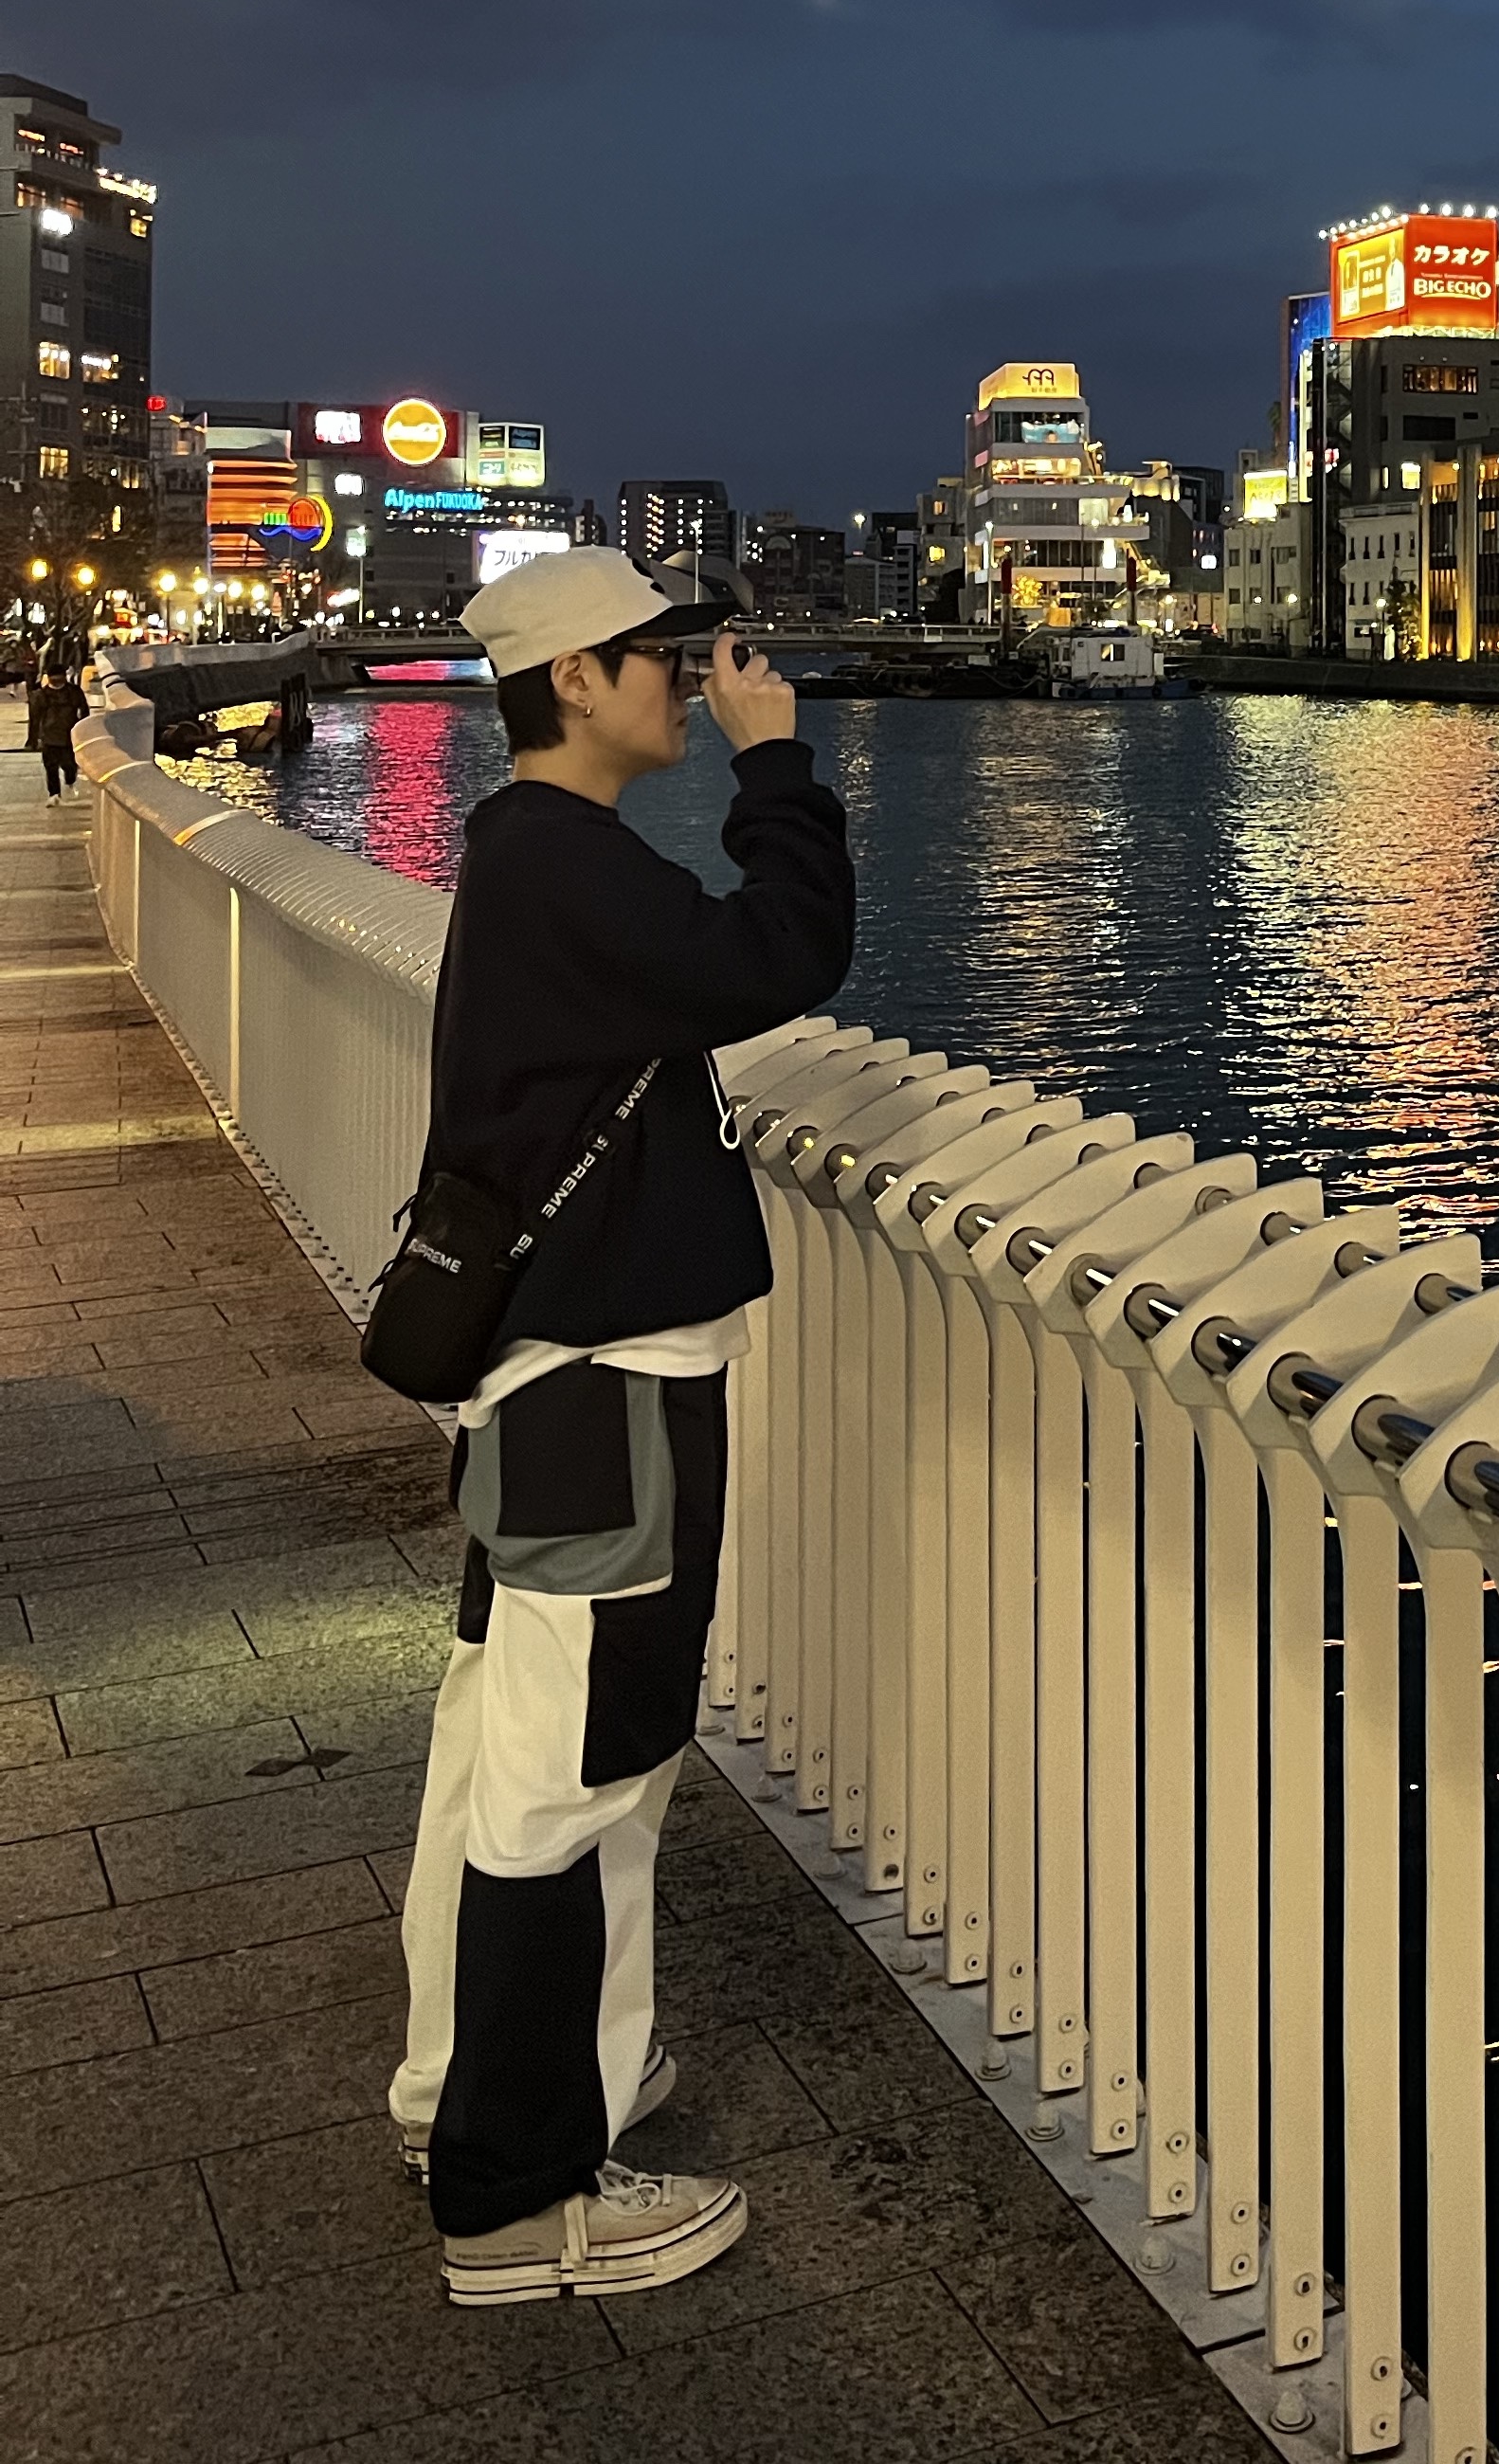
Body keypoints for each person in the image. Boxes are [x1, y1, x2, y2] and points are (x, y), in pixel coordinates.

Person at [387, 543, 853, 2307]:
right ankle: (517, 2196)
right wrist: (775, 762)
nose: (683, 673)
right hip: (605, 1386)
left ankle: (481, 2086)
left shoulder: (527, 858)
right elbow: (783, 948)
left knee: (510, 1742)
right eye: (654, 653)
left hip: (553, 1381)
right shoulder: (559, 860)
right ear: (570, 682)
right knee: (569, 1778)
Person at [27, 652, 82, 795]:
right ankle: (54, 794)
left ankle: (70, 781)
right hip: (48, 736)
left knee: (69, 765)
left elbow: (84, 712)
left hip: (69, 735)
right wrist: (33, 739)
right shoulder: (39, 695)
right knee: (51, 767)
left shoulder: (74, 692)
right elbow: (34, 718)